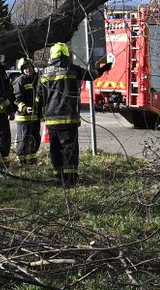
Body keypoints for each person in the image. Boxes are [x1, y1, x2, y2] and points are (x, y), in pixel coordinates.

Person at [38, 42, 109, 187]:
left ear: (52, 56)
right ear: (66, 54)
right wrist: (103, 69)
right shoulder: (71, 69)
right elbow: (91, 75)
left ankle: (58, 177)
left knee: (55, 148)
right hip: (68, 118)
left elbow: (39, 97)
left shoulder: (44, 73)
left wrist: (40, 114)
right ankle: (70, 180)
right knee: (69, 149)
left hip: (51, 119)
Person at [11, 57, 42, 165]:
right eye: (25, 68)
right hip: (24, 117)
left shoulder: (37, 80)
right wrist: (24, 108)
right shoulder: (20, 81)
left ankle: (31, 159)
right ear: (22, 70)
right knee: (23, 140)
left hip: (35, 116)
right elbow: (16, 99)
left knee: (36, 139)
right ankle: (21, 160)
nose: (28, 69)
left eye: (29, 67)